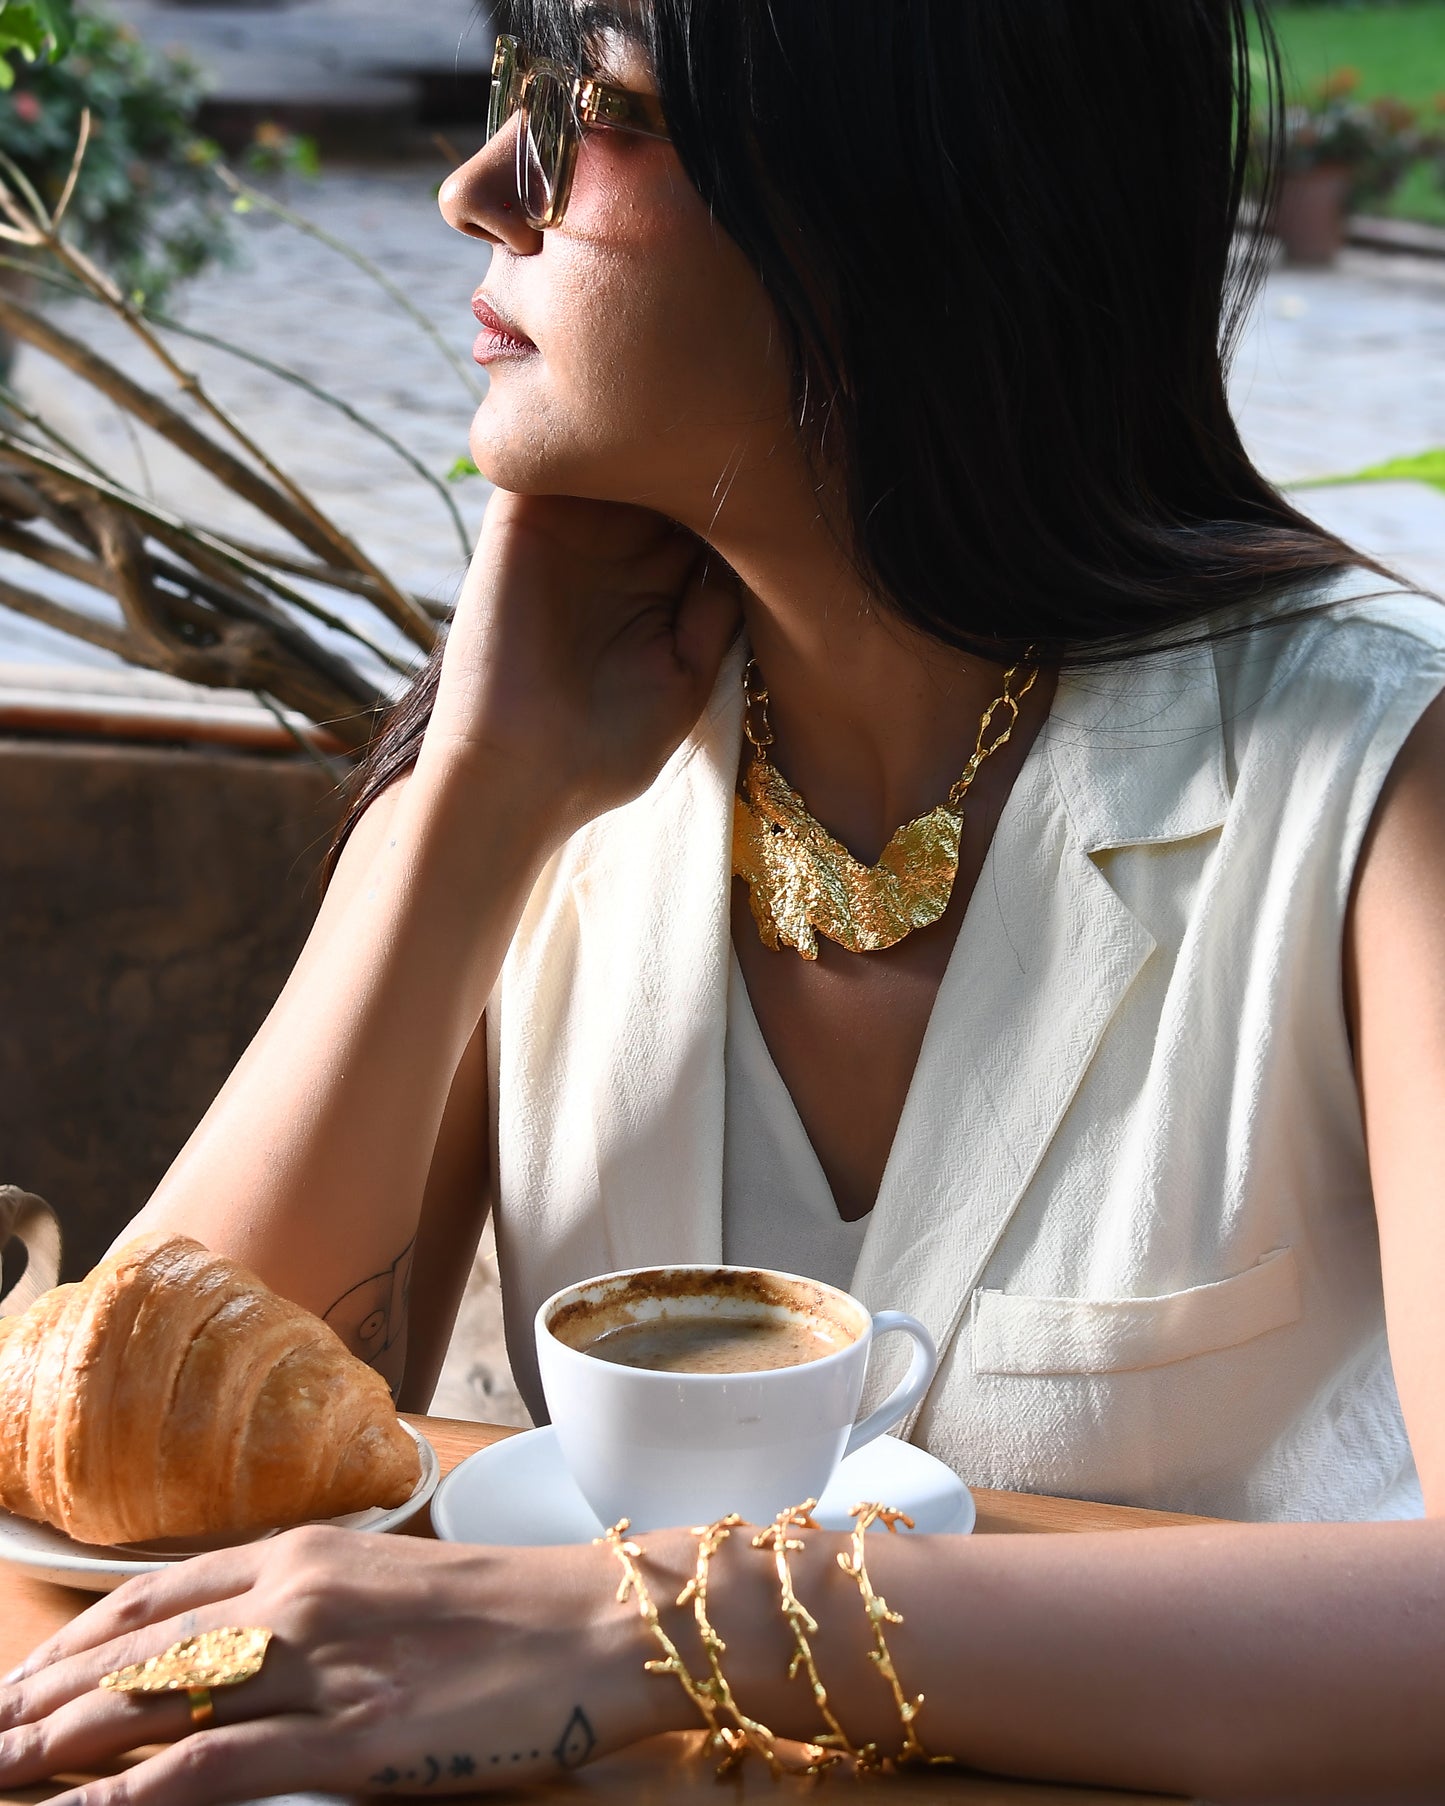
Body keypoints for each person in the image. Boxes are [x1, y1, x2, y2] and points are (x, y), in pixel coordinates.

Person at [3, 0, 1444, 1797]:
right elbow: (112, 1487)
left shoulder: (1379, 777)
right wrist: (469, 807)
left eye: (588, 108)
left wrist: (656, 1623)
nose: (474, 189)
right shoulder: (543, 762)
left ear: (911, 193)